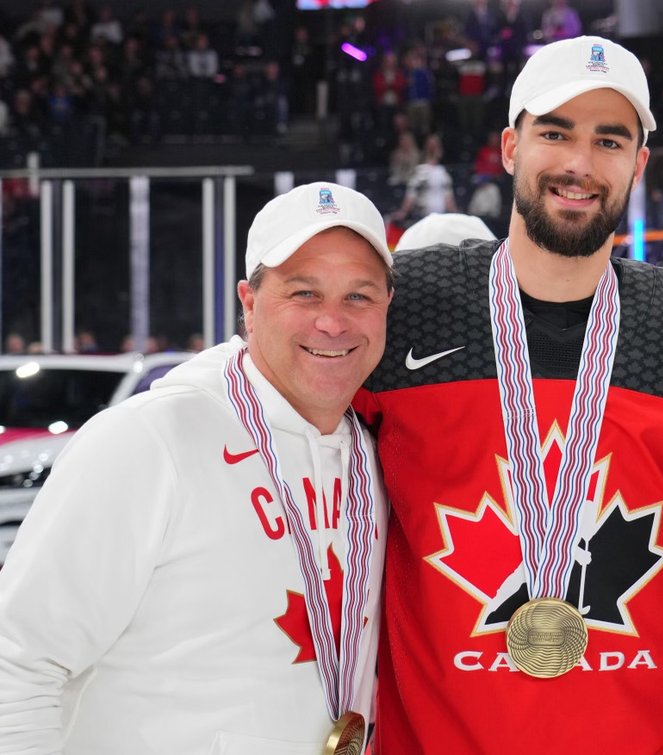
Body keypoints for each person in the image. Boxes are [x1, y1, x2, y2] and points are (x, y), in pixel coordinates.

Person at [354, 36, 663, 755]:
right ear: (510, 147)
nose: (579, 163)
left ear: (638, 164)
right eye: (555, 132)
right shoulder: (408, 307)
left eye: (609, 140)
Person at [0, 182, 393, 752]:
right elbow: (18, 659)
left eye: (359, 296)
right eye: (304, 293)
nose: (333, 322)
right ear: (250, 304)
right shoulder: (150, 439)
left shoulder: (373, 459)